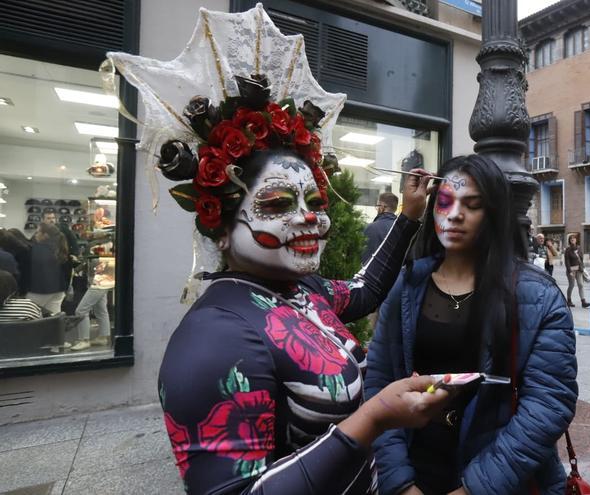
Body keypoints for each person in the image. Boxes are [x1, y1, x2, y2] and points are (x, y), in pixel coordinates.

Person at [108, 6, 454, 493]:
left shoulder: (303, 292)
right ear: (221, 227)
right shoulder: (212, 340)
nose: (308, 216)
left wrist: (409, 218)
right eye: (277, 203)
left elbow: (364, 290)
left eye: (313, 200)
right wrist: (375, 417)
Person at [365, 155, 578, 495]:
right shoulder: (407, 286)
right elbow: (378, 380)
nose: (455, 214)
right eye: (446, 202)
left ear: (493, 213)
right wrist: (400, 481)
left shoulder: (537, 296)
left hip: (499, 478)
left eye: (472, 204)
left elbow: (549, 403)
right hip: (415, 469)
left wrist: (474, 489)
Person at [70, 260, 115, 351]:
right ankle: (102, 337)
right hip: (104, 277)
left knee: (81, 311)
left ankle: (84, 340)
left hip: (100, 278)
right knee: (100, 309)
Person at [25, 222, 68, 313]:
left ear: (45, 235)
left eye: (37, 232)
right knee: (53, 321)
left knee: (30, 321)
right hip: (58, 290)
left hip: (39, 290)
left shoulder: (35, 250)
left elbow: (27, 272)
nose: (35, 235)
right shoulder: (58, 249)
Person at [361, 192, 399, 265]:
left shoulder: (370, 228)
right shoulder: (401, 228)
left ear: (382, 207)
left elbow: (364, 258)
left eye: (377, 206)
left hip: (372, 273)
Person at [564, 234, 590, 308]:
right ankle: (569, 300)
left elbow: (581, 259)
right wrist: (569, 271)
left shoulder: (579, 248)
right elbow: (567, 261)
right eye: (571, 239)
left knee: (581, 284)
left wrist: (582, 268)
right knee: (571, 285)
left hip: (579, 269)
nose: (572, 240)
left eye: (574, 238)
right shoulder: (568, 250)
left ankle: (583, 301)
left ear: (576, 240)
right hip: (571, 270)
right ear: (569, 240)